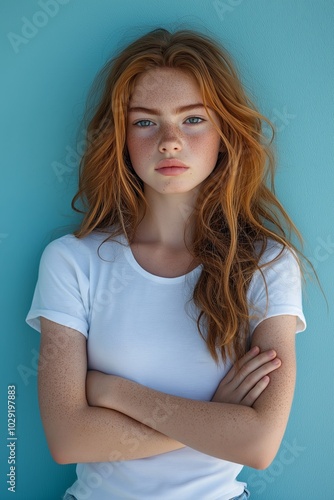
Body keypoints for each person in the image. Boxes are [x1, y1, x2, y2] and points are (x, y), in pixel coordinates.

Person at [26, 28, 306, 500]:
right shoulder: (71, 262)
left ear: (224, 134)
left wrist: (115, 393)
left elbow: (258, 444)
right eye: (145, 122)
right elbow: (68, 439)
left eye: (193, 119)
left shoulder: (267, 264)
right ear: (121, 137)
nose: (171, 141)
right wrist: (216, 418)